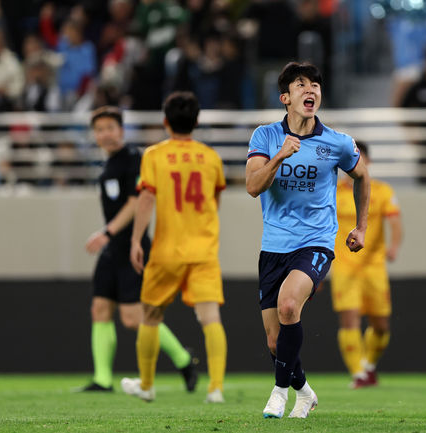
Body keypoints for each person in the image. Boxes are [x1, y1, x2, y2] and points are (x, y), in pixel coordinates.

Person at [245, 61, 370, 418]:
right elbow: (253, 187)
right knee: (274, 340)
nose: (310, 89)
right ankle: (305, 392)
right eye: (301, 85)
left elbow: (362, 176)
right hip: (273, 248)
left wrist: (361, 227)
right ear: (286, 97)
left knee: (288, 306)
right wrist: (280, 157)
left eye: (315, 84)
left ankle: (279, 392)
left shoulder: (338, 143)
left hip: (315, 243)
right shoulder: (265, 137)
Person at [81, 106, 196, 393]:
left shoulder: (134, 159)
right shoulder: (108, 165)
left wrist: (107, 232)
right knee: (100, 309)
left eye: (110, 127)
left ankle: (183, 360)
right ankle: (103, 380)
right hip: (112, 250)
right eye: (100, 129)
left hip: (132, 247)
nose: (105, 134)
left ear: (121, 130)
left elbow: (136, 203)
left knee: (134, 318)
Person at [121, 92, 227, 403]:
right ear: (196, 121)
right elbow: (214, 201)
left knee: (150, 316)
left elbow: (147, 198)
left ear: (165, 122)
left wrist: (135, 239)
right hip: (203, 250)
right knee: (210, 319)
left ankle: (146, 384)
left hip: (167, 250)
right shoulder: (211, 157)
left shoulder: (154, 155)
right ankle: (216, 388)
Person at [331, 141, 402, 389]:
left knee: (381, 326)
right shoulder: (333, 191)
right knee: (349, 320)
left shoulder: (382, 191)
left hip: (374, 265)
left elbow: (394, 221)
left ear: (368, 162)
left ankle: (368, 365)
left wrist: (394, 246)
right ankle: (358, 373)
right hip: (344, 265)